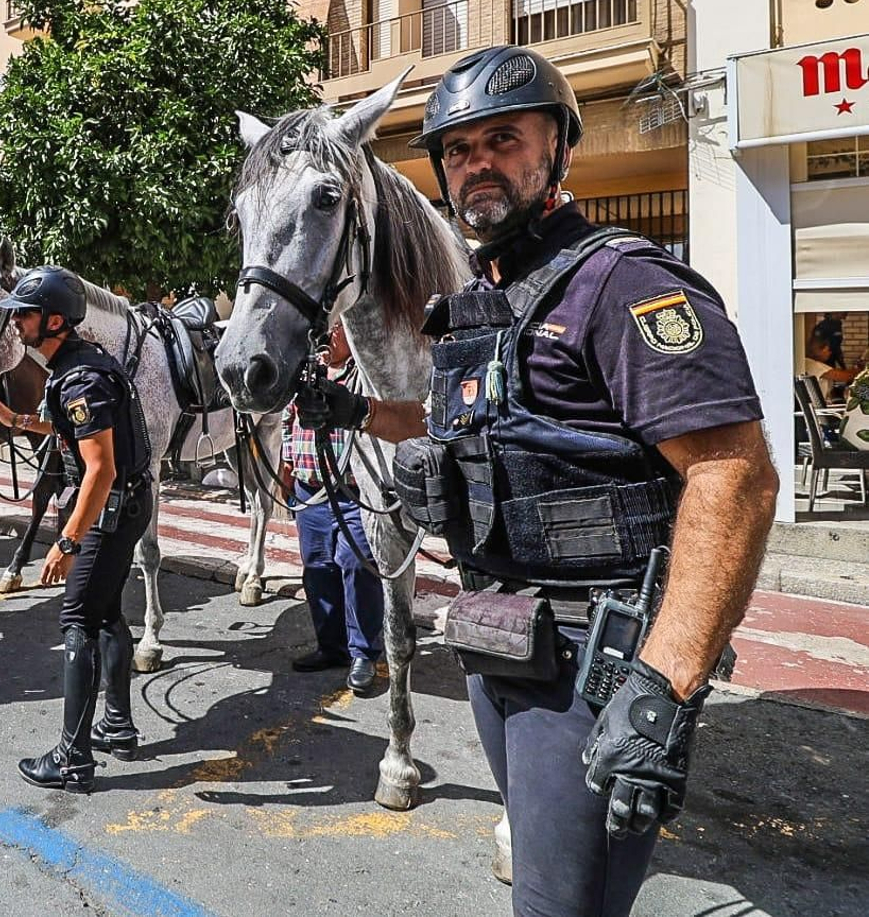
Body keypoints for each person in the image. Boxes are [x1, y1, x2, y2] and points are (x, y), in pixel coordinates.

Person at [298, 45, 778, 916]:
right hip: (498, 641)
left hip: (593, 660)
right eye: (457, 149)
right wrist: (352, 414)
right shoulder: (486, 303)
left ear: (557, 148)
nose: (478, 164)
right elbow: (459, 430)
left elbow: (732, 472)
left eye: (503, 139)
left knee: (557, 906)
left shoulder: (621, 281)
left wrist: (663, 685)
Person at [0, 265, 153, 794]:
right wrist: (22, 423)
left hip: (107, 508)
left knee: (77, 618)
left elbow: (99, 467)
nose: (17, 325)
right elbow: (83, 432)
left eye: (24, 316)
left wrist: (68, 541)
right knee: (106, 614)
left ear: (54, 320)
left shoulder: (80, 377)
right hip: (126, 504)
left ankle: (72, 757)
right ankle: (117, 727)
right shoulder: (82, 364)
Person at [279, 319, 384, 694]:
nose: (329, 336)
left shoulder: (365, 374)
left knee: (356, 565)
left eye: (337, 328)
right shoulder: (307, 370)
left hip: (353, 493)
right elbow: (288, 420)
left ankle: (364, 653)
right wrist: (289, 462)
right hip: (311, 492)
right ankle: (332, 646)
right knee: (318, 568)